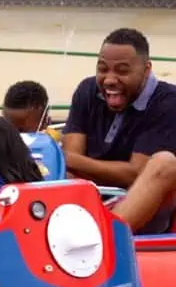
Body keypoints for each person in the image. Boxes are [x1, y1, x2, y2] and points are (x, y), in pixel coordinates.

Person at [62, 27, 176, 231]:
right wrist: (69, 161)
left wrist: (70, 160)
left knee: (166, 163)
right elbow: (71, 160)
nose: (110, 80)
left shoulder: (167, 102)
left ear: (146, 70)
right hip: (89, 201)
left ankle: (106, 237)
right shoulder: (87, 90)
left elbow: (135, 173)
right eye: (103, 69)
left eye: (122, 71)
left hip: (141, 210)